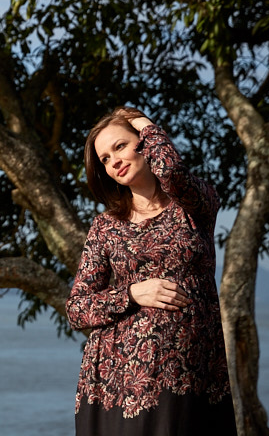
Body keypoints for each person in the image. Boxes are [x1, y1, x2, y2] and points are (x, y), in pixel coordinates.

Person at [67, 106, 236, 435]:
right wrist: (132, 293)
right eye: (104, 158)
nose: (113, 161)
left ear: (145, 143)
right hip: (119, 384)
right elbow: (76, 308)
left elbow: (171, 173)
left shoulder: (195, 205)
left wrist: (141, 120)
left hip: (192, 375)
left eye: (120, 146)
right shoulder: (105, 227)